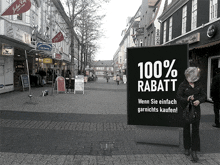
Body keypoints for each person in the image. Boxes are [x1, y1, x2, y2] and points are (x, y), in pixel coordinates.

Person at [177, 67, 206, 162]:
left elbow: (204, 96)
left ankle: (194, 151)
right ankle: (187, 147)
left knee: (195, 130)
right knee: (186, 129)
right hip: (186, 110)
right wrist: (187, 99)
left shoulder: (198, 84)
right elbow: (178, 96)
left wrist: (199, 100)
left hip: (196, 111)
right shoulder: (183, 85)